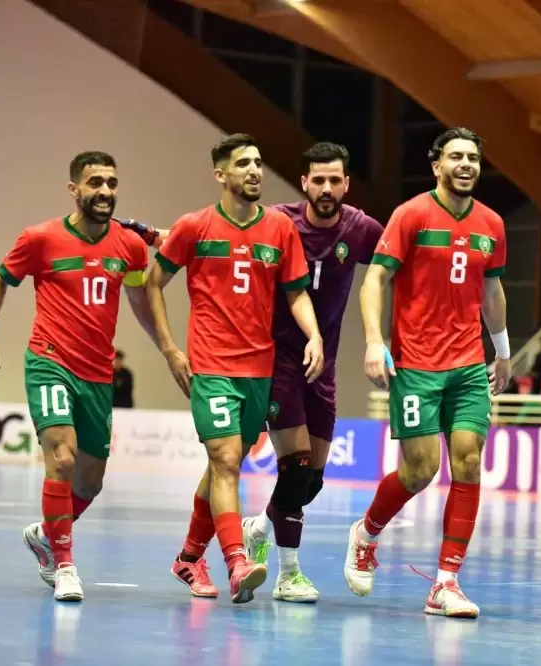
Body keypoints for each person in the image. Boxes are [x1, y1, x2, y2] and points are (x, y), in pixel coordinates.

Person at [119, 142, 384, 603]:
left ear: (346, 184)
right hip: (254, 360)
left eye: (334, 180)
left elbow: (392, 257)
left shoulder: (329, 228)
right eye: (316, 180)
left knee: (295, 477)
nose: (325, 188)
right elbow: (185, 253)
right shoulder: (249, 221)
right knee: (249, 462)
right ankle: (260, 566)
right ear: (303, 183)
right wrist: (168, 348)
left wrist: (322, 336)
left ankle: (214, 545)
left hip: (292, 365)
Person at [144, 133, 324, 604]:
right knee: (226, 462)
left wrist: (315, 335)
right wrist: (169, 350)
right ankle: (236, 562)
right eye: (243, 163)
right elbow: (152, 280)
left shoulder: (279, 230)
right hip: (211, 366)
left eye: (259, 163)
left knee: (223, 465)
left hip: (258, 369)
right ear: (220, 174)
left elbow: (297, 293)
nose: (254, 171)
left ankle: (187, 557)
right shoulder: (194, 227)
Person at [0, 151, 158, 602]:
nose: (106, 191)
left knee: (90, 479)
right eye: (95, 182)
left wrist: (169, 349)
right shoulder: (40, 238)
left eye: (112, 182)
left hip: (98, 376)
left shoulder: (129, 246)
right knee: (63, 458)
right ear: (74, 189)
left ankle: (46, 533)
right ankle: (65, 564)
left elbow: (138, 300)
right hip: (49, 361)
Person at [344, 127, 510, 619]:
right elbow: (375, 277)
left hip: (466, 365)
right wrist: (375, 341)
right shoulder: (412, 214)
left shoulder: (492, 224)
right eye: (456, 156)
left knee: (468, 459)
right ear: (436, 164)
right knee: (420, 470)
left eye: (474, 158)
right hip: (416, 365)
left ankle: (446, 583)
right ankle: (366, 533)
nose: (466, 164)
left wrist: (500, 350)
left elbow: (493, 291)